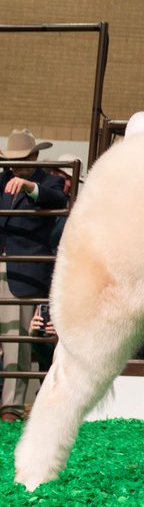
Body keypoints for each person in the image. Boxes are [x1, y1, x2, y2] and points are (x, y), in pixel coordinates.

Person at [1, 129, 67, 422]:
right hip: (6, 267)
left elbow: (58, 200)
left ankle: (11, 409)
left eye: (23, 161)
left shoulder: (48, 181)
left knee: (18, 339)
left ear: (36, 157)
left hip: (25, 273)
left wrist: (29, 186)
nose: (16, 167)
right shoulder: (1, 179)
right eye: (12, 162)